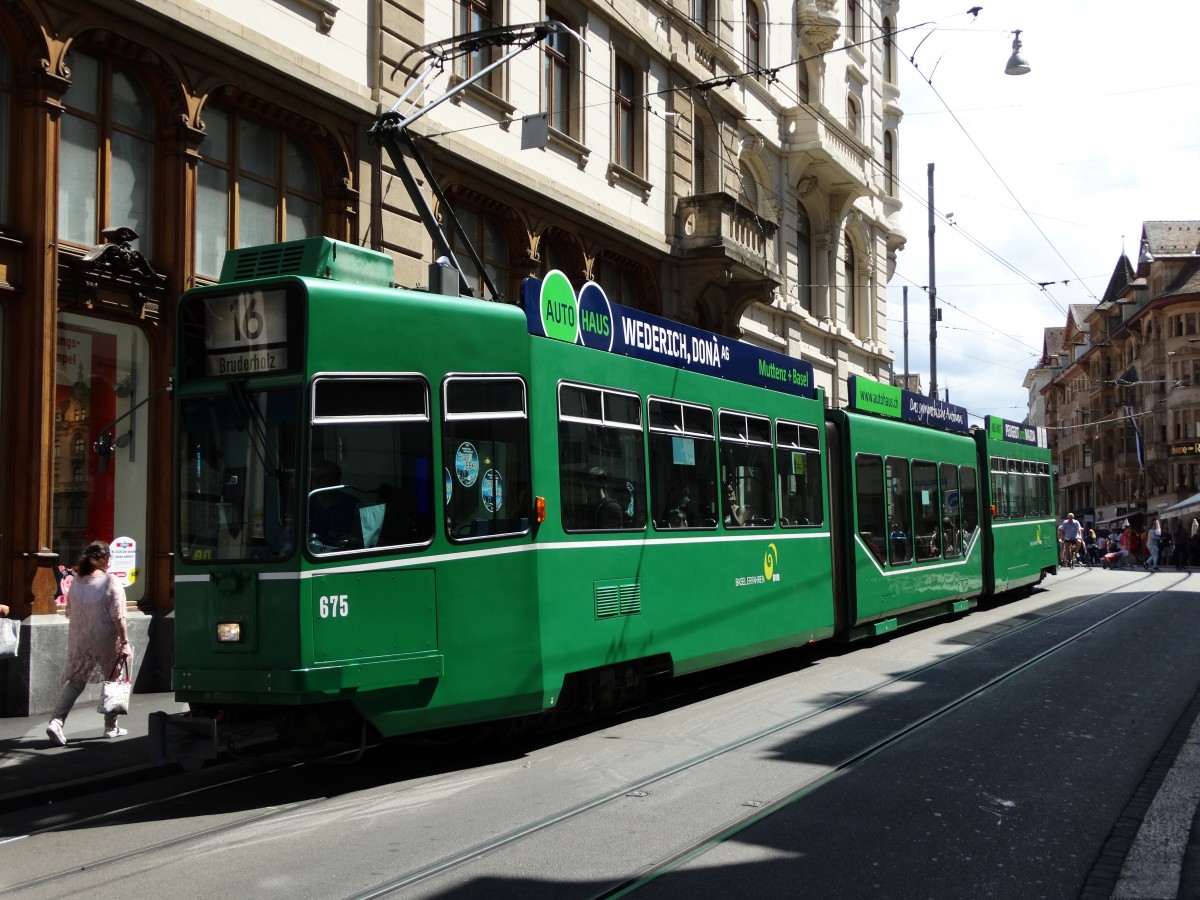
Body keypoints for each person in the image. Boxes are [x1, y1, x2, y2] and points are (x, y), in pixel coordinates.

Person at [46, 541, 133, 745]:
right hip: (105, 638)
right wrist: (125, 641)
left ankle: (56, 722)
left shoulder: (76, 580)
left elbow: (71, 611)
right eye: (108, 557)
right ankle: (111, 727)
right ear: (103, 559)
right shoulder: (110, 581)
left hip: (80, 638)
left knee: (76, 682)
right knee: (113, 678)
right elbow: (119, 616)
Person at [309, 459, 360, 549]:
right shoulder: (307, 504)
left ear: (335, 481)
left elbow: (364, 538)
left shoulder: (352, 504)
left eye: (322, 478)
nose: (316, 481)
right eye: (314, 477)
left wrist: (353, 540)